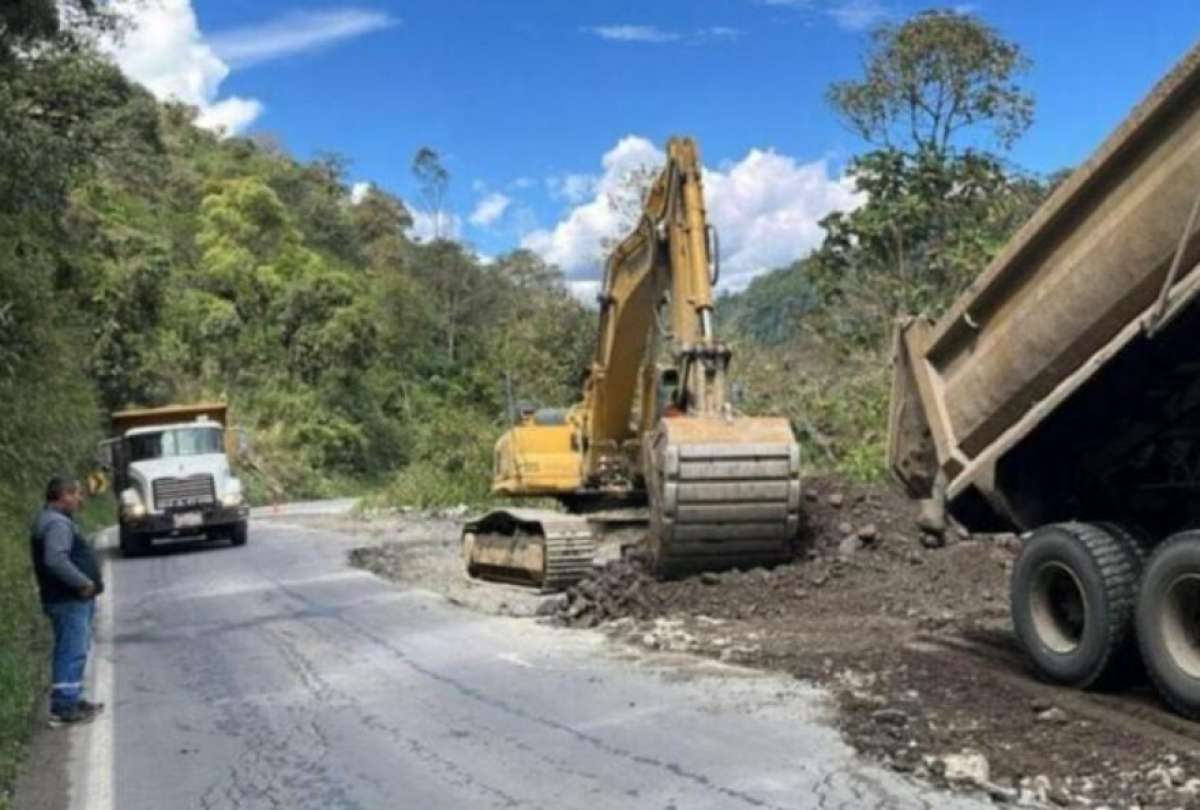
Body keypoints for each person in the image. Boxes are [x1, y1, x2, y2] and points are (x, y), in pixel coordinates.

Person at [30, 475, 105, 727]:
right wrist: (82, 582)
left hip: (65, 598)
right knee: (71, 651)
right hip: (67, 599)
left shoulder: (51, 520)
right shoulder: (57, 524)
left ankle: (72, 699)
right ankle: (63, 706)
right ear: (64, 496)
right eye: (77, 494)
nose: (80, 498)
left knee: (76, 650)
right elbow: (55, 560)